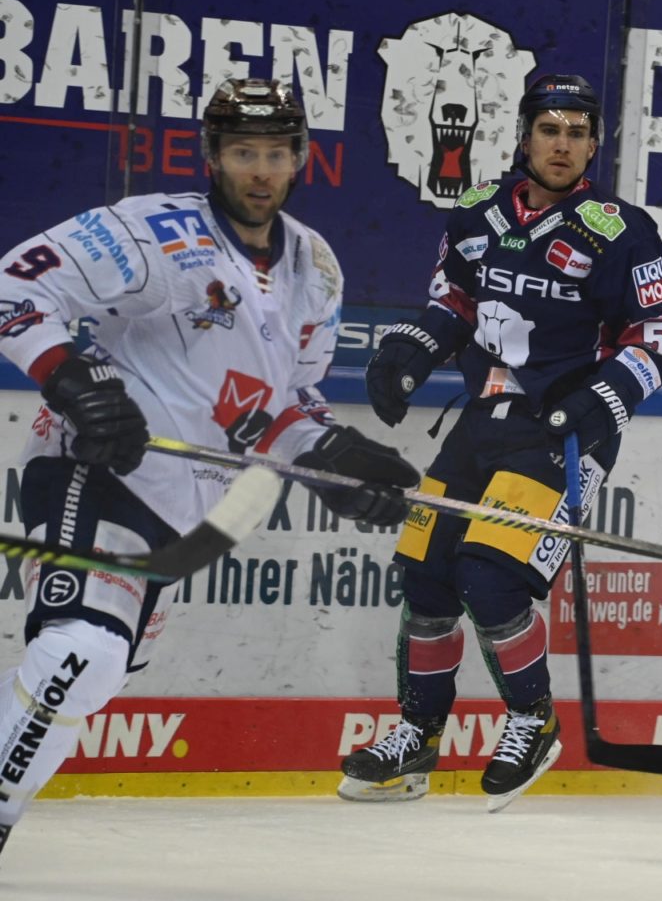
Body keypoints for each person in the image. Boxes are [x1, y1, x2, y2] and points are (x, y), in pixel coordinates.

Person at [0, 78, 419, 854]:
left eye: (274, 154)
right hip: (96, 467)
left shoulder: (316, 269)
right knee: (77, 650)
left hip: (181, 511)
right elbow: (15, 283)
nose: (259, 171)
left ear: (300, 159)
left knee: (89, 678)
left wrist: (335, 461)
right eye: (241, 152)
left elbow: (284, 405)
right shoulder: (151, 230)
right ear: (214, 156)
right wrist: (71, 376)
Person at [339, 74, 662, 810]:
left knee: (490, 578)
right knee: (427, 579)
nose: (563, 145)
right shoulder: (474, 214)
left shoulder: (622, 230)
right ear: (524, 135)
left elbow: (660, 337)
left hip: (561, 433)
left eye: (578, 132)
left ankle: (533, 722)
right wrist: (409, 350)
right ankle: (417, 739)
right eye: (550, 129)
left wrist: (605, 399)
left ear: (594, 143)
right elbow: (453, 303)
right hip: (481, 421)